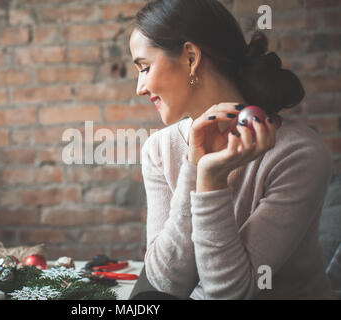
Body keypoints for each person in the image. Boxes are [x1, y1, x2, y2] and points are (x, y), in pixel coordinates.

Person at [129, 0, 338, 300]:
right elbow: (165, 284)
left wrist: (211, 180)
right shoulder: (158, 149)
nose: (140, 87)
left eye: (145, 68)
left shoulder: (299, 154)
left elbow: (231, 293)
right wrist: (195, 166)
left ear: (190, 56)